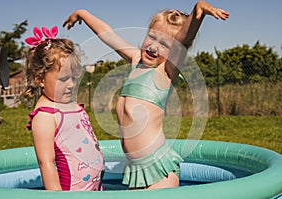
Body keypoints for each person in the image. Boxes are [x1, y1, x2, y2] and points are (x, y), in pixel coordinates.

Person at [63, 1, 229, 189]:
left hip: (159, 169)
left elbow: (183, 41)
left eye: (164, 44)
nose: (154, 47)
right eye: (152, 37)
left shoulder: (165, 71)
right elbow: (109, 35)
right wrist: (83, 14)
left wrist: (197, 14)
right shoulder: (136, 60)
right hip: (136, 170)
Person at [22, 26, 105, 191]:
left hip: (95, 189)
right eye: (64, 79)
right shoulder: (45, 116)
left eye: (74, 78)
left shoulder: (72, 106)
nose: (72, 85)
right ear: (40, 79)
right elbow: (46, 163)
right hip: (71, 193)